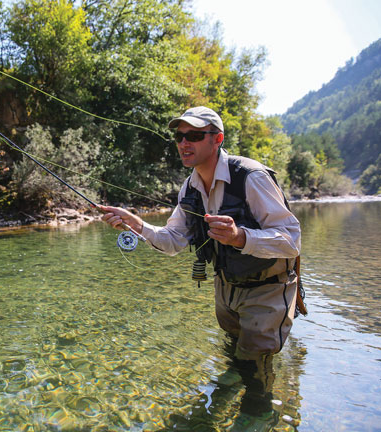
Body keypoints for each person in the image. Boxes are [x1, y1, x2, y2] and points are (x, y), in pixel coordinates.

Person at [100, 106, 301, 428]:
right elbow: (172, 242)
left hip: (268, 286)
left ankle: (260, 412)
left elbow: (292, 240)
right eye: (179, 136)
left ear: (217, 139)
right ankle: (236, 384)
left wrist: (239, 237)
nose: (183, 143)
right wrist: (137, 225)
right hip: (226, 287)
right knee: (235, 348)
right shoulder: (189, 188)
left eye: (194, 135)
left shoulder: (252, 177)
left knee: (255, 363)